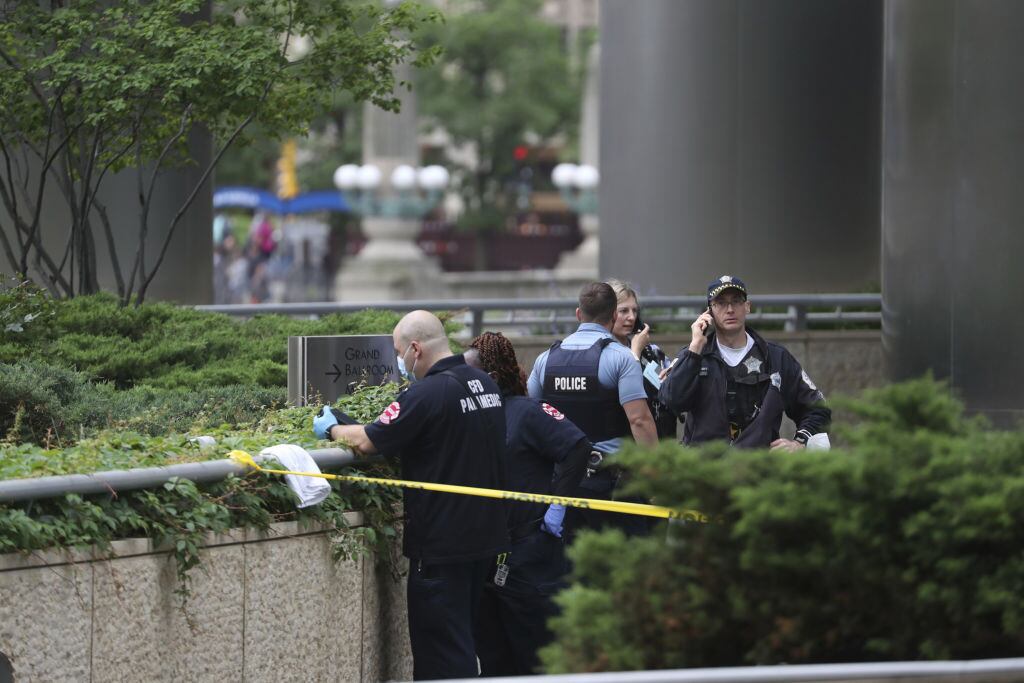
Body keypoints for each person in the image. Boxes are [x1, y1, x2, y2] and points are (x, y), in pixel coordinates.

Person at [311, 310, 508, 681]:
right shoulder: (485, 385)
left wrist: (334, 427)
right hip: (484, 540)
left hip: (442, 547)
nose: (400, 362)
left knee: (442, 658)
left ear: (415, 349)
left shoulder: (426, 394)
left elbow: (369, 440)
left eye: (399, 352)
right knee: (463, 645)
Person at [464, 332, 591, 677]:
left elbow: (577, 447)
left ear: (489, 379)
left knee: (534, 655)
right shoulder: (472, 416)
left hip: (529, 553)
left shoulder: (526, 412)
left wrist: (558, 504)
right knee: (492, 656)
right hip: (486, 554)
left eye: (469, 375)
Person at [528, 282, 658, 538]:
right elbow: (640, 421)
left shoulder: (545, 360)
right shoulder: (621, 358)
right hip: (613, 485)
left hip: (563, 483)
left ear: (579, 314)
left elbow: (534, 414)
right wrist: (656, 475)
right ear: (612, 316)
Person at [658, 275, 831, 448]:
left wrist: (799, 443)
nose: (730, 309)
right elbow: (671, 401)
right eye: (721, 303)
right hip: (706, 469)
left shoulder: (776, 357)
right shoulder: (693, 356)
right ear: (709, 312)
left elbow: (817, 408)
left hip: (758, 468)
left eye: (737, 301)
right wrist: (695, 347)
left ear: (747, 307)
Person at [606, 279, 680, 439]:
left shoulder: (651, 351)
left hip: (663, 439)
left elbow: (669, 391)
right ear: (608, 314)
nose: (631, 317)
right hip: (627, 446)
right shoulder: (603, 354)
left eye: (635, 310)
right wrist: (635, 352)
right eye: (623, 311)